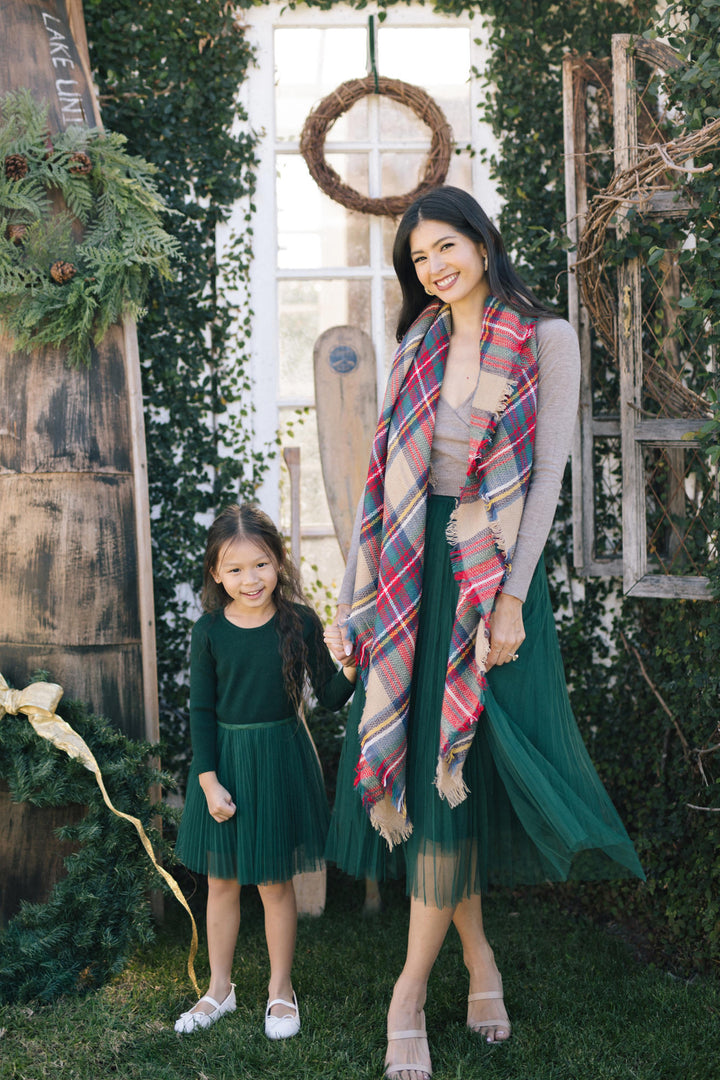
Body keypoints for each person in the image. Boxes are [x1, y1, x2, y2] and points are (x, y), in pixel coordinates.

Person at [323, 186, 644, 1080]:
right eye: (419, 258)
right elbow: (385, 481)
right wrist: (359, 595)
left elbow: (543, 482)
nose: (434, 267)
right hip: (410, 581)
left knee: (453, 771)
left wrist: (510, 598)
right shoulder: (418, 341)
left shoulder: (544, 338)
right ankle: (478, 962)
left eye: (446, 247)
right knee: (433, 780)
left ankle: (407, 993)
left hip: (488, 579)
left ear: (482, 240)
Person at [174, 503, 357, 1038]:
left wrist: (352, 659)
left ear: (278, 562)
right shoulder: (208, 631)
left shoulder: (299, 622)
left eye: (260, 565)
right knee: (222, 881)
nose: (249, 579)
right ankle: (219, 990)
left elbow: (330, 696)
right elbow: (201, 712)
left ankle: (281, 991)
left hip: (279, 759)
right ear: (216, 574)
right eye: (234, 569)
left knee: (276, 883)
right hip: (225, 764)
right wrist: (208, 781)